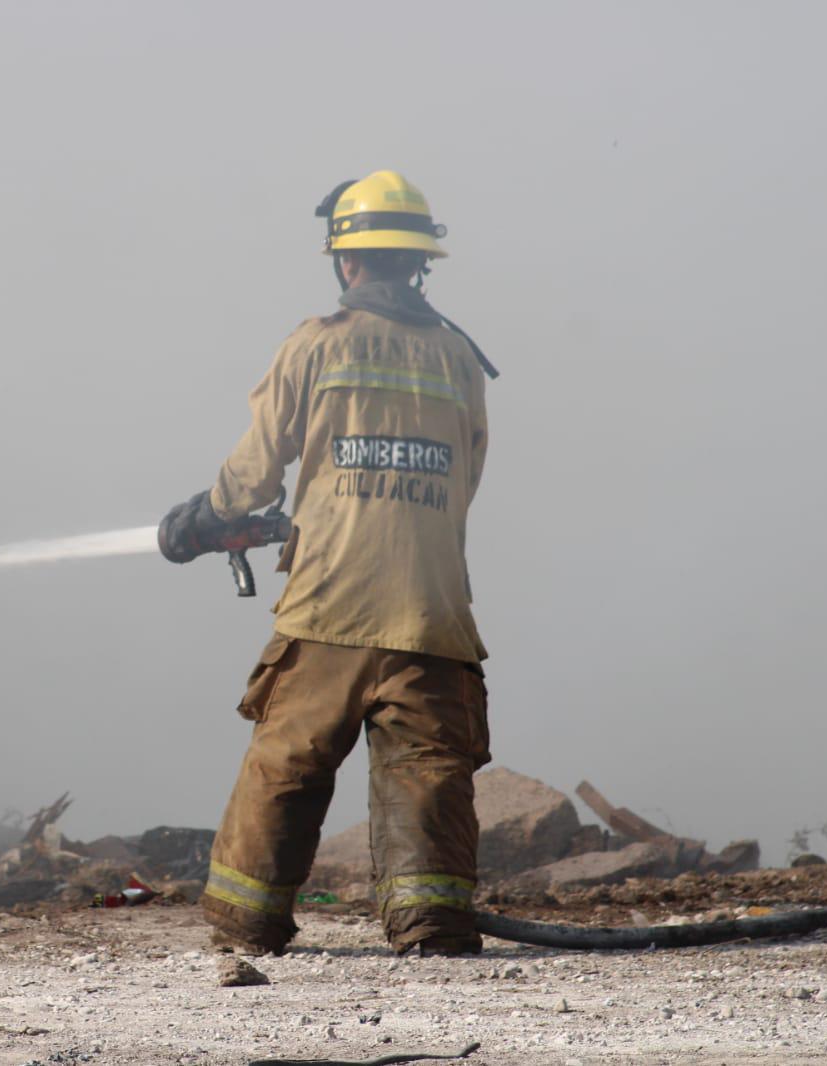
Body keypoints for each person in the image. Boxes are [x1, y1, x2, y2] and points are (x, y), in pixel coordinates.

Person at [160, 170, 498, 957]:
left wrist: (205, 518)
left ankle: (247, 923)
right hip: (432, 612)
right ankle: (432, 926)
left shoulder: (318, 343)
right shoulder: (457, 358)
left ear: (345, 260)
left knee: (287, 765)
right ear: (419, 262)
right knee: (428, 774)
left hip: (330, 604)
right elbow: (465, 478)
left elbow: (254, 471)